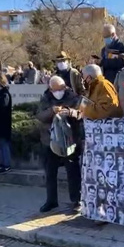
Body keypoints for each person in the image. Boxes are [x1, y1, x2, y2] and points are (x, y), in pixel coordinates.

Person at [36, 76, 82, 213]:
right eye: (56, 90)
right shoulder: (45, 98)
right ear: (50, 89)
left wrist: (70, 112)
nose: (59, 91)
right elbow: (39, 115)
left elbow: (82, 113)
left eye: (61, 88)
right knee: (50, 172)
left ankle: (77, 200)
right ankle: (51, 201)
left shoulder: (73, 97)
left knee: (72, 171)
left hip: (69, 141)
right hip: (50, 140)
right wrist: (51, 111)